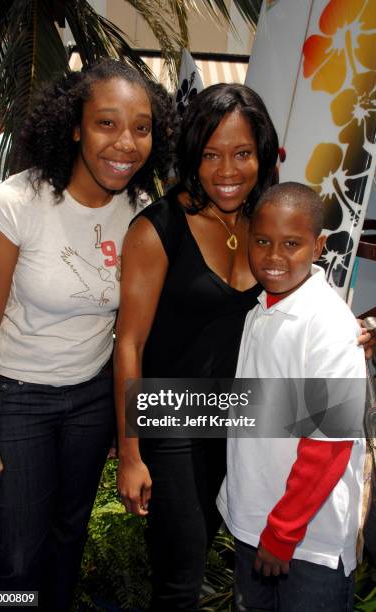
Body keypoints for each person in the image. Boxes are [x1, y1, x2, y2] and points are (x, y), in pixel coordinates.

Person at [0, 59, 174, 611]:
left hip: (89, 400)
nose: (125, 143)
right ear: (76, 126)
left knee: (69, 539)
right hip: (17, 397)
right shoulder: (18, 203)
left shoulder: (139, 213)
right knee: (16, 556)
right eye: (107, 123)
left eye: (141, 126)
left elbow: (129, 332)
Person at [114, 83, 279, 611]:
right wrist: (131, 451)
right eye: (210, 155)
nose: (227, 170)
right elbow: (129, 344)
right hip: (171, 420)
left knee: (209, 556)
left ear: (264, 155)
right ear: (192, 155)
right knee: (180, 580)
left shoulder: (265, 227)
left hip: (236, 421)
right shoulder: (158, 229)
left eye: (241, 153)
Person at [217, 182, 366, 611]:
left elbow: (328, 445)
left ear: (319, 246)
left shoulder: (327, 324)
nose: (274, 256)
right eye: (262, 241)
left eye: (292, 244)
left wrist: (281, 534)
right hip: (255, 526)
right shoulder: (259, 309)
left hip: (306, 545)